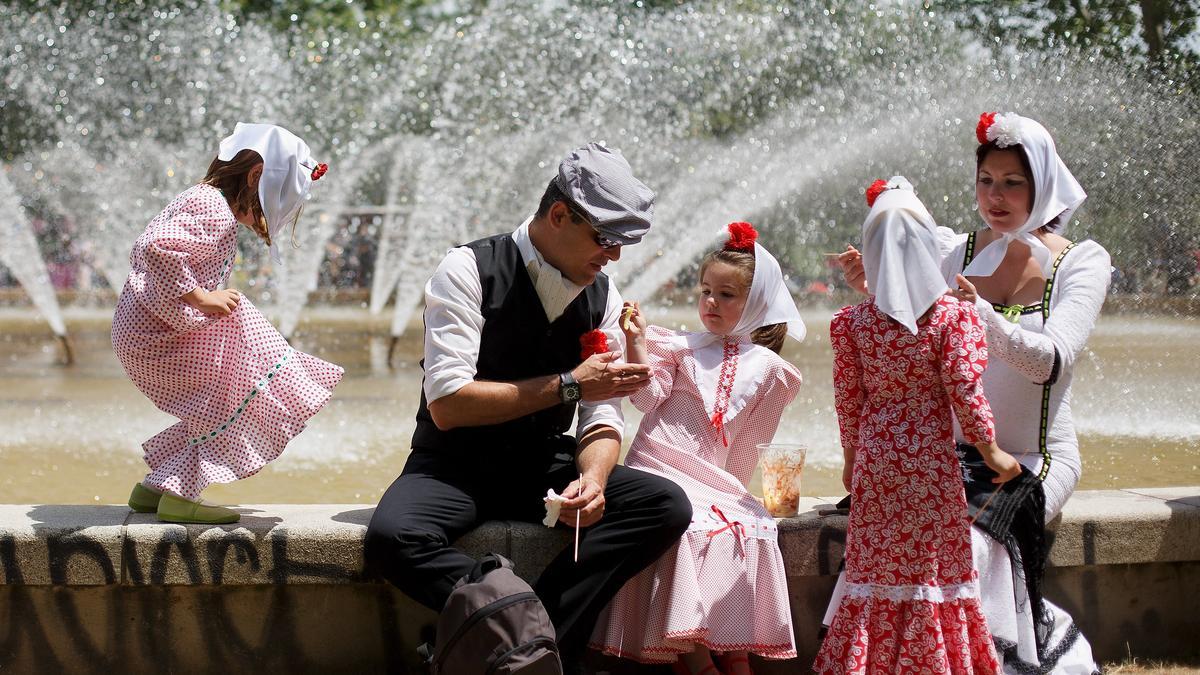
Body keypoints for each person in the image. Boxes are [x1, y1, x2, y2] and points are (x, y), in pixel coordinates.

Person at [364, 143, 692, 670]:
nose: (613, 256)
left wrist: (595, 479)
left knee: (666, 505)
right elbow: (447, 403)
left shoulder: (602, 296)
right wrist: (569, 385)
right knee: (391, 539)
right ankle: (533, 631)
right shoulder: (466, 268)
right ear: (559, 215)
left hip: (540, 465)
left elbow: (602, 413)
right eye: (605, 239)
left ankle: (517, 643)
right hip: (452, 464)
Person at [837, 113, 1110, 673]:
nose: (997, 195)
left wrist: (979, 315)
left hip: (1030, 459)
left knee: (967, 546)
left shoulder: (1079, 262)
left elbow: (1050, 363)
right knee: (896, 539)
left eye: (1013, 182)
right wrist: (878, 282)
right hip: (939, 457)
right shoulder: (948, 251)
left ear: (1042, 186)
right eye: (987, 180)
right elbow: (904, 331)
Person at [815, 177, 1016, 674]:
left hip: (878, 464)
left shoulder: (853, 323)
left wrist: (849, 463)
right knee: (932, 568)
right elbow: (966, 391)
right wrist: (991, 452)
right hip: (929, 463)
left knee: (876, 570)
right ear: (929, 247)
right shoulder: (953, 319)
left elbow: (848, 403)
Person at [590, 221, 806, 675]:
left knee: (747, 524)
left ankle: (734, 650)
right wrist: (636, 341)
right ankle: (699, 659)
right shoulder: (679, 348)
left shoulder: (770, 370)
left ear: (756, 303)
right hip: (658, 464)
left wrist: (745, 493)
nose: (711, 302)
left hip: (711, 479)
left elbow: (749, 447)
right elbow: (646, 399)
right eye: (706, 290)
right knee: (685, 526)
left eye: (727, 295)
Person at [112, 123, 342, 524]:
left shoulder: (206, 201)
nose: (268, 219)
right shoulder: (214, 209)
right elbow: (157, 247)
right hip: (157, 338)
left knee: (222, 398)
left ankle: (155, 488)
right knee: (238, 393)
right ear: (255, 178)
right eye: (271, 203)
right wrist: (200, 297)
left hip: (148, 334)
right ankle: (181, 496)